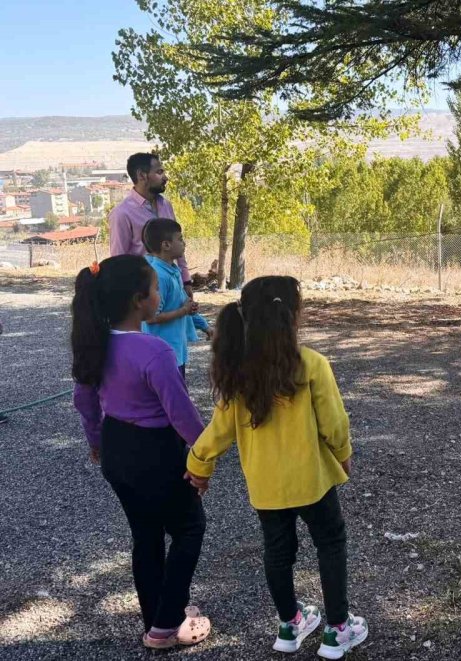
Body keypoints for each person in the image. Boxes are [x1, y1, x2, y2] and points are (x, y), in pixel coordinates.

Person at [185, 276, 368, 659]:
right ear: (290, 316)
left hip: (266, 487)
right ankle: (337, 629)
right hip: (313, 481)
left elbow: (218, 431)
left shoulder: (238, 372)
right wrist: (343, 453)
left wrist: (199, 465)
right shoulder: (312, 365)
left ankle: (290, 624)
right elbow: (334, 423)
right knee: (330, 543)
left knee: (278, 552)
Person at [71, 255, 211, 650]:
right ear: (139, 300)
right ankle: (166, 626)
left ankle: (158, 616)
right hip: (157, 453)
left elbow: (84, 401)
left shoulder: (95, 344)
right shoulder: (154, 352)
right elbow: (180, 413)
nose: (159, 295)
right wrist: (205, 458)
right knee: (188, 528)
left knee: (145, 534)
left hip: (117, 449)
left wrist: (96, 442)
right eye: (154, 289)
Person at [108, 153, 192, 297]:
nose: (165, 177)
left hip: (173, 286)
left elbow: (177, 242)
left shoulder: (166, 205)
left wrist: (186, 281)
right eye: (159, 172)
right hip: (145, 292)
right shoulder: (122, 213)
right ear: (142, 175)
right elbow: (119, 261)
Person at [141, 218, 211, 382]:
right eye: (180, 239)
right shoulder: (158, 275)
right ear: (166, 245)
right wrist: (183, 311)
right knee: (170, 401)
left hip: (176, 351)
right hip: (162, 354)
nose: (184, 243)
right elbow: (151, 318)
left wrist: (204, 326)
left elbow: (183, 305)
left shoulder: (173, 271)